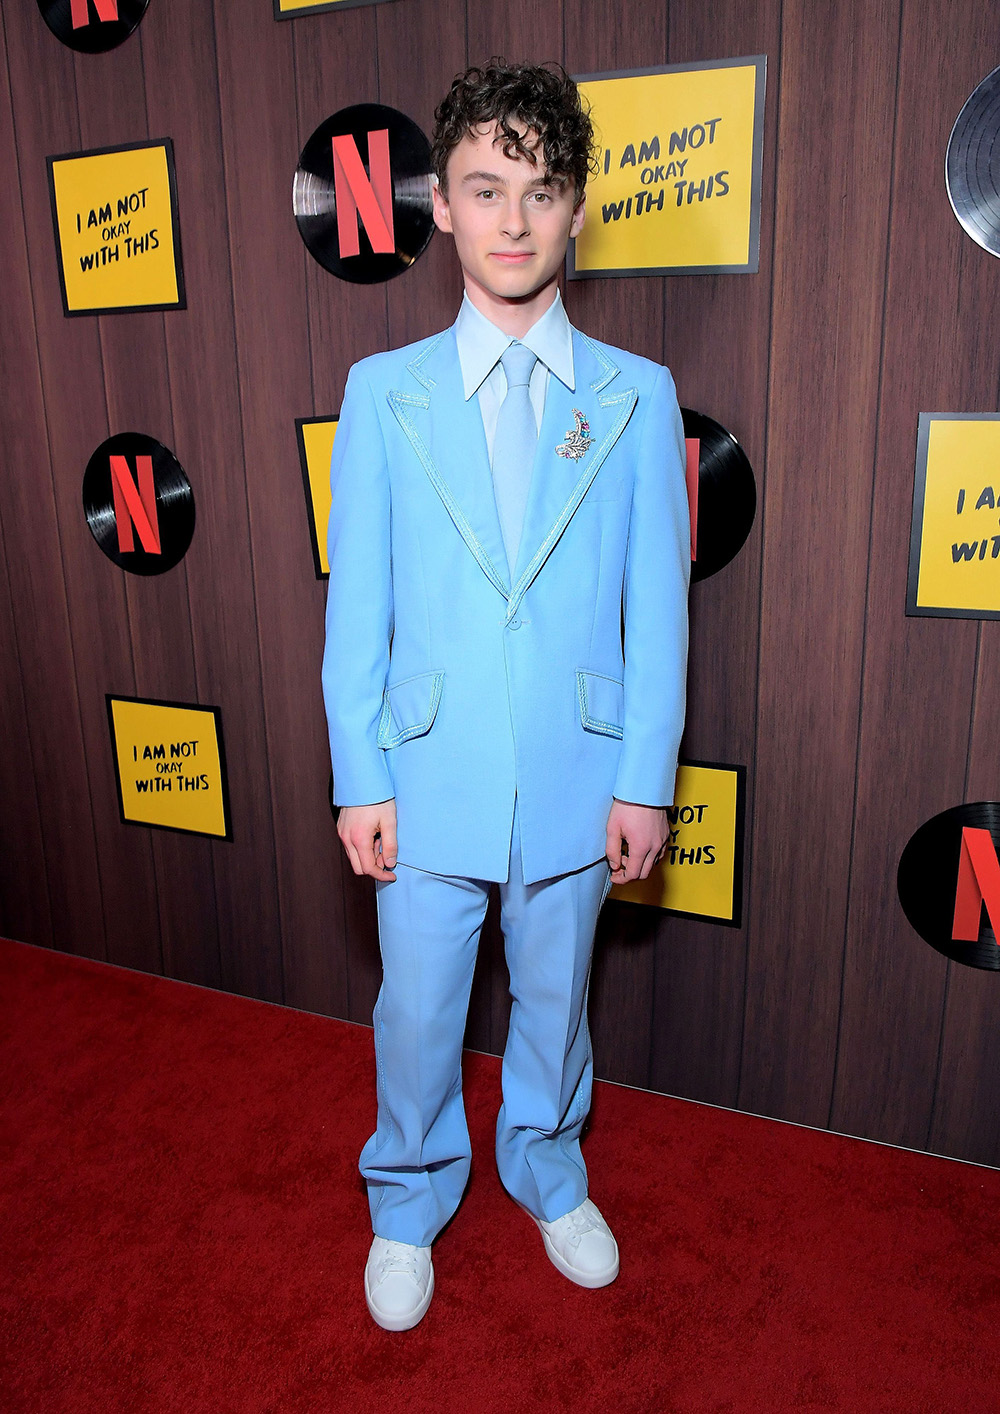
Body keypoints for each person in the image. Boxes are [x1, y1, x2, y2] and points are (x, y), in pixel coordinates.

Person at [322, 57, 690, 1332]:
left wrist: (646, 778)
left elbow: (661, 611)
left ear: (577, 207)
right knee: (416, 1008)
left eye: (541, 191)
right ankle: (407, 1193)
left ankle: (546, 1163)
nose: (515, 219)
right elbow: (353, 609)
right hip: (423, 770)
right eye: (487, 189)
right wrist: (359, 773)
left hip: (580, 771)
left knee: (557, 997)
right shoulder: (384, 394)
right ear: (442, 206)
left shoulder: (637, 399)